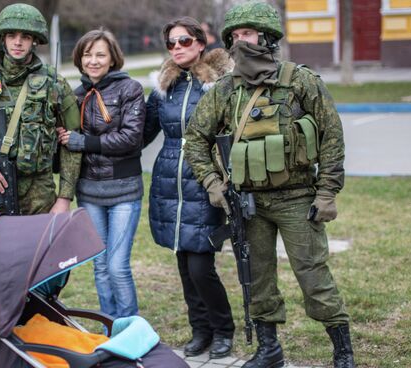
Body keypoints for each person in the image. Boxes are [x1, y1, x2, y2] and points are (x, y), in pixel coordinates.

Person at [184, 2, 355, 368]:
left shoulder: (300, 81)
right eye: (234, 36)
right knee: (258, 280)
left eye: (246, 34)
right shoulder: (225, 90)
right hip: (248, 203)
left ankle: (343, 350)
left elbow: (331, 136)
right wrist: (214, 184)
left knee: (314, 277)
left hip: (297, 198)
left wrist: (327, 191)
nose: (239, 41)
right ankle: (269, 349)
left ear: (266, 37)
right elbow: (195, 138)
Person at [143, 16, 236, 359]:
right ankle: (201, 331)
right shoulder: (163, 87)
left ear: (200, 43)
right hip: (170, 181)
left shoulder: (219, 84)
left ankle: (223, 330)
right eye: (171, 43)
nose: (177, 48)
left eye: (184, 41)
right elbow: (142, 133)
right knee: (184, 265)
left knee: (201, 266)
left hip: (205, 182)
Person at [0, 3, 81, 217]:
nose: (18, 42)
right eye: (11, 35)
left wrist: (64, 197)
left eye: (25, 37)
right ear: (3, 38)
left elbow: (73, 140)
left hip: (39, 191)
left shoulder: (54, 83)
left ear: (35, 40)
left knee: (37, 250)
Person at [57, 29, 145, 319]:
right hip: (90, 192)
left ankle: (129, 328)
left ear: (112, 59)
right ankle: (110, 327)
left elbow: (131, 139)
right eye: (87, 54)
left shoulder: (130, 89)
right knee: (100, 265)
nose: (93, 61)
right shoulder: (76, 95)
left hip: (124, 191)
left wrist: (85, 141)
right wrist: (62, 136)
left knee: (118, 266)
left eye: (100, 54)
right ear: (79, 59)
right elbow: (68, 142)